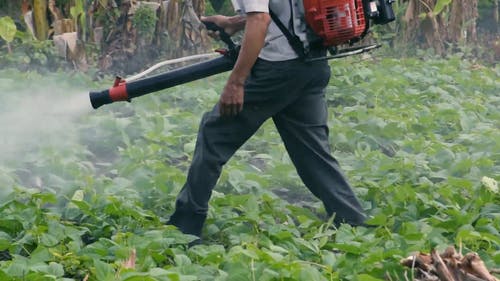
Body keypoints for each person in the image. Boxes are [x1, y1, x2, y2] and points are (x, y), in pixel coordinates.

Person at [167, 0, 367, 239]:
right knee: (312, 152)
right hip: (312, 64)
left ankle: (185, 227)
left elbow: (260, 20)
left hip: (278, 71)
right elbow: (279, 11)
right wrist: (233, 22)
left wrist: (236, 81)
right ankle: (353, 220)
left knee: (214, 133)